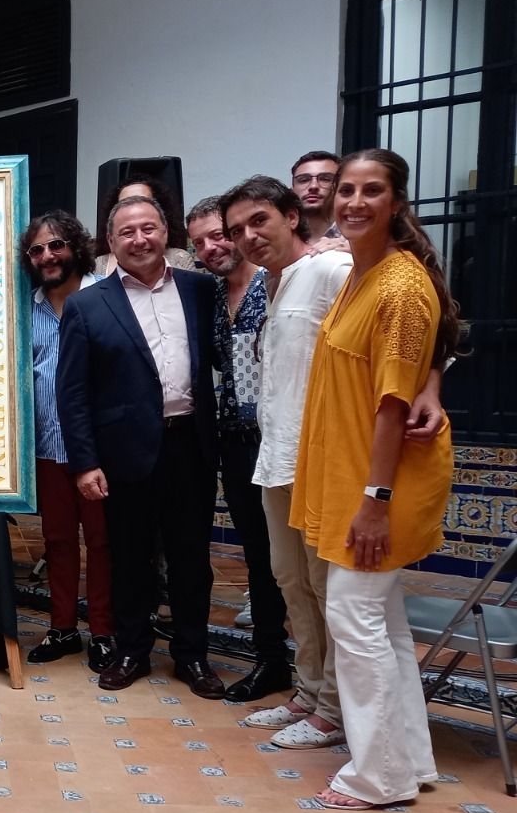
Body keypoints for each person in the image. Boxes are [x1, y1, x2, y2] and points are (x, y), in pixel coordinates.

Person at [223, 174, 446, 751]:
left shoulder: (334, 269)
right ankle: (309, 690)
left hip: (327, 459)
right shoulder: (268, 286)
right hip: (277, 455)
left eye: (259, 222)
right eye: (236, 230)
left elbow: (415, 332)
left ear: (292, 216)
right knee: (290, 579)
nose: (248, 237)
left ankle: (335, 710)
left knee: (330, 591)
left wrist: (432, 384)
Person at [290, 149, 456, 809]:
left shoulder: (398, 288)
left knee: (353, 618)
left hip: (382, 485)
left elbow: (393, 404)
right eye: (346, 190)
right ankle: (406, 761)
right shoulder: (365, 276)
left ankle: (378, 775)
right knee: (381, 625)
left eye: (371, 191)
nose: (355, 201)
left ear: (396, 203)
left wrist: (375, 502)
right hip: (357, 478)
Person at [57, 194, 225, 698]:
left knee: (192, 558)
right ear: (110, 243)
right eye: (127, 232)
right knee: (129, 557)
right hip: (123, 455)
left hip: (190, 446)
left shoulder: (201, 290)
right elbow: (73, 392)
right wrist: (85, 463)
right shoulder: (88, 304)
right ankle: (132, 650)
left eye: (148, 228)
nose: (139, 239)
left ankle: (193, 655)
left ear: (165, 233)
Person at [185, 195, 290, 700]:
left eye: (217, 235)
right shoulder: (207, 296)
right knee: (258, 554)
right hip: (232, 443)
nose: (210, 247)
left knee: (293, 561)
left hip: (285, 439)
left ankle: (308, 672)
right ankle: (274, 660)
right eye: (199, 242)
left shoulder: (283, 282)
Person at [21, 212, 114, 672]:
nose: (47, 256)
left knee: (101, 543)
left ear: (75, 247)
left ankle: (102, 631)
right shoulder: (26, 309)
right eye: (36, 250)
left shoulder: (108, 298)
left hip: (97, 452)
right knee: (57, 540)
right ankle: (62, 628)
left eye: (55, 245)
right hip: (45, 449)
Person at [93, 175, 194, 275]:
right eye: (125, 204)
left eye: (144, 201)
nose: (135, 209)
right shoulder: (100, 265)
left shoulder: (180, 259)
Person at [291, 150, 341, 242]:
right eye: (303, 180)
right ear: (292, 190)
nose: (313, 186)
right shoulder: (282, 240)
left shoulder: (356, 239)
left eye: (325, 179)